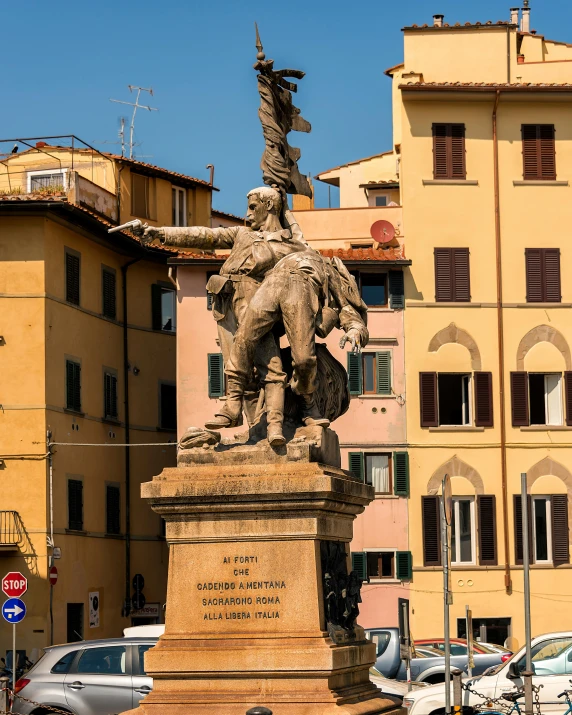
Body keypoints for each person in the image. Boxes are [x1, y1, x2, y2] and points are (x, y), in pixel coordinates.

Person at [136, 187, 307, 446]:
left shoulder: (289, 244)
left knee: (270, 365)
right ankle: (254, 426)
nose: (247, 213)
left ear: (270, 206)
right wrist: (159, 233)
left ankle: (274, 426)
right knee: (235, 364)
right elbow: (206, 236)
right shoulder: (242, 234)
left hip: (257, 302)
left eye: (252, 207)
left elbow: (306, 266)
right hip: (225, 302)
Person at [214, 244, 369, 441]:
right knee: (244, 337)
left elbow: (349, 311)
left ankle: (307, 402)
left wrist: (355, 330)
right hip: (272, 282)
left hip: (301, 286)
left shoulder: (331, 275)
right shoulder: (288, 250)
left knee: (304, 360)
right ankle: (233, 401)